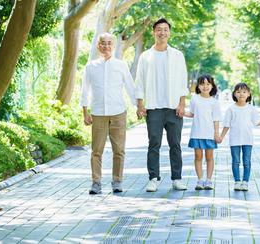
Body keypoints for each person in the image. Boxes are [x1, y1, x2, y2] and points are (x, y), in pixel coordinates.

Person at [135, 18, 188, 192]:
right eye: (159, 29)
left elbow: (182, 81)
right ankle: (153, 178)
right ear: (154, 32)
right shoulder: (145, 56)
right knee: (154, 144)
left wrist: (182, 104)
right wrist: (140, 104)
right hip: (153, 107)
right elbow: (140, 81)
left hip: (173, 107)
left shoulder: (177, 55)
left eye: (165, 29)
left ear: (169, 32)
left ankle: (177, 178)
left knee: (175, 144)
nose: (162, 32)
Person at [80, 33, 135, 195]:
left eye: (109, 43)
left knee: (119, 150)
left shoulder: (121, 65)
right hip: (98, 113)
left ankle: (117, 181)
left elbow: (130, 87)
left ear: (114, 45)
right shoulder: (90, 66)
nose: (106, 46)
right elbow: (85, 90)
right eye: (103, 43)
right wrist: (85, 111)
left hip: (118, 112)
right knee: (96, 150)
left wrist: (138, 106)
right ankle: (96, 182)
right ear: (98, 46)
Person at [218, 82, 260, 191]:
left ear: (248, 94)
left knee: (247, 161)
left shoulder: (251, 109)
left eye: (244, 92)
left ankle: (245, 182)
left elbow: (256, 122)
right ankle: (237, 181)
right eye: (238, 92)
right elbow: (226, 125)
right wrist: (221, 137)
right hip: (234, 139)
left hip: (248, 140)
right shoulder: (231, 109)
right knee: (236, 161)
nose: (241, 94)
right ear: (234, 94)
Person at [185, 74, 221, 190]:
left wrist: (216, 133)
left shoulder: (214, 102)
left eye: (208, 84)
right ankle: (200, 180)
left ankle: (209, 180)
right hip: (197, 132)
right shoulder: (194, 98)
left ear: (212, 86)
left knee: (209, 156)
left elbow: (216, 119)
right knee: (198, 156)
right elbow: (192, 113)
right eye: (202, 84)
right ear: (198, 86)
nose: (205, 86)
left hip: (209, 134)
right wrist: (182, 112)